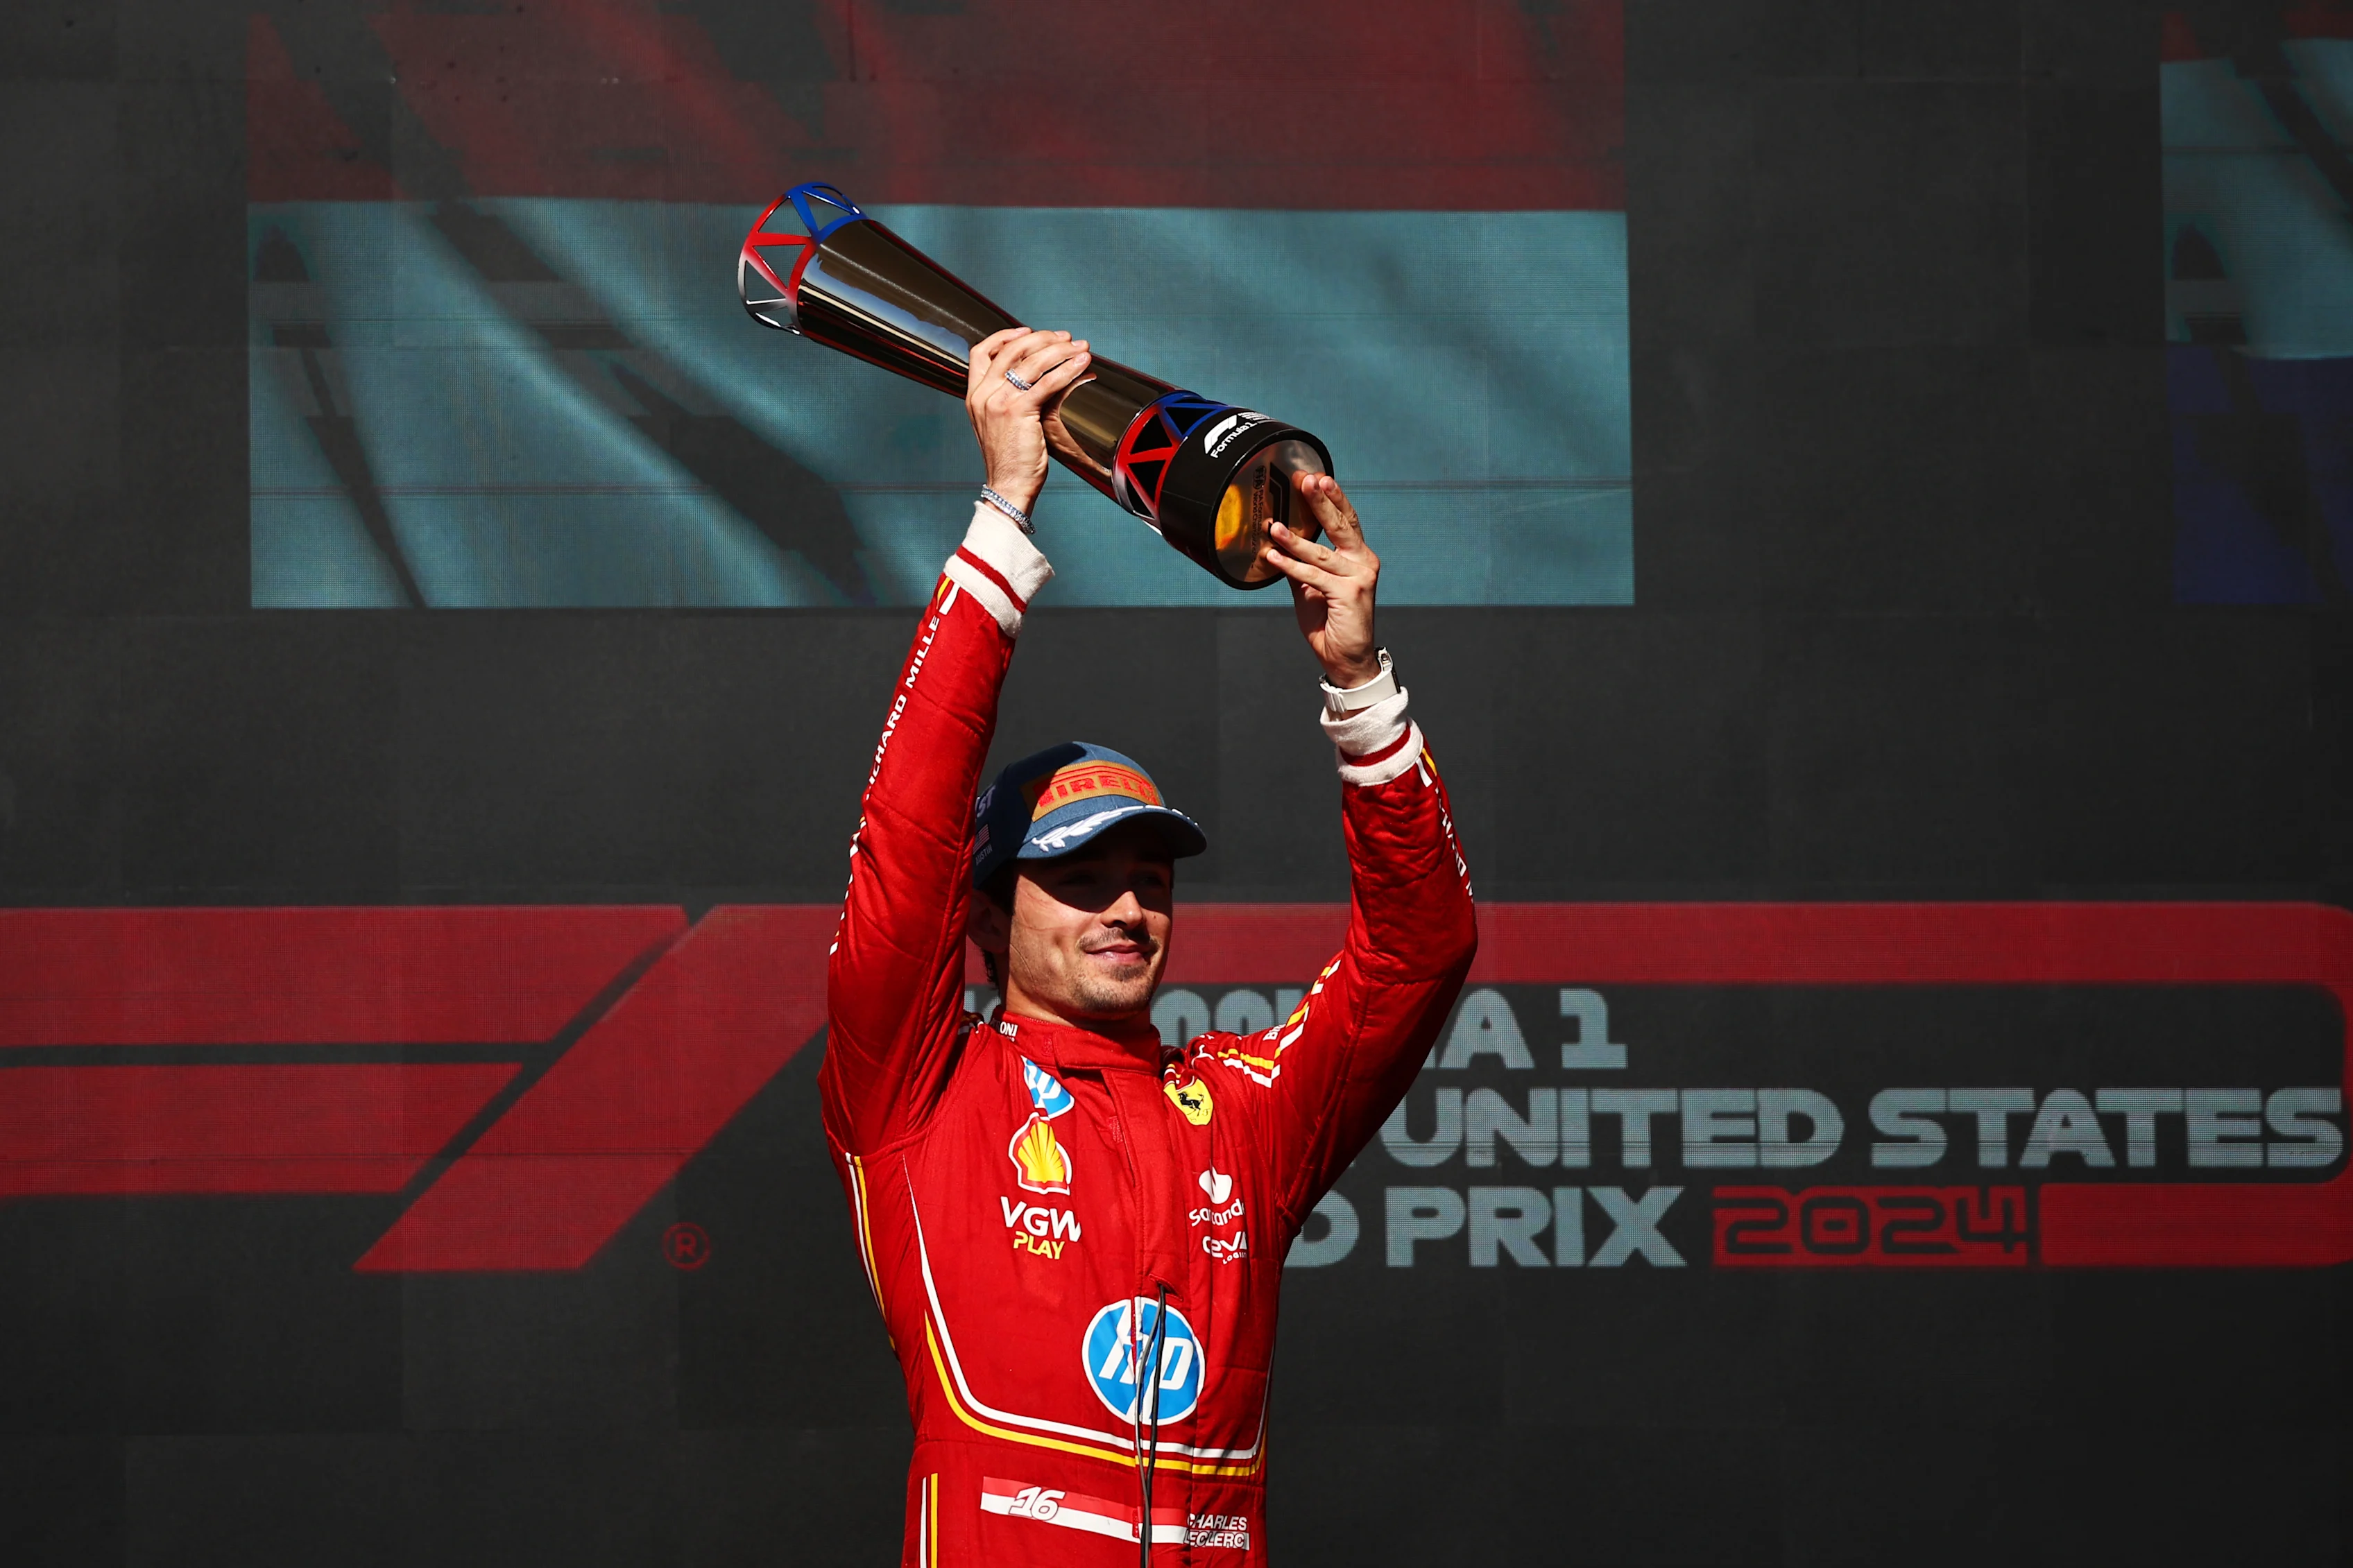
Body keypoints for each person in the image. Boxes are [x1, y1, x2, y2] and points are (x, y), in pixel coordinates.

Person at [821, 325, 1477, 1566]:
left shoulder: (1243, 1113)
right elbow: (908, 845)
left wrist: (1359, 685)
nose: (1126, 908)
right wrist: (1005, 517)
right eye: (1078, 878)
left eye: (1148, 877)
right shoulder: (916, 1092)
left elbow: (1419, 953)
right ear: (988, 910)